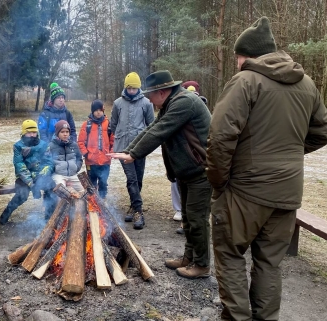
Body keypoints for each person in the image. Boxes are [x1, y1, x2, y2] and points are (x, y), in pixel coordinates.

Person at [207, 16, 327, 321]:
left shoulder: (246, 81)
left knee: (230, 254)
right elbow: (322, 131)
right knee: (269, 263)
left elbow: (220, 136)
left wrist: (220, 182)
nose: (236, 63)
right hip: (287, 193)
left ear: (247, 55)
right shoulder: (307, 84)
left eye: (237, 57)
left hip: (245, 191)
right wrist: (288, 155)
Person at [108, 70, 212, 279]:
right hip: (187, 172)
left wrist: (135, 154)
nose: (149, 99)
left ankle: (201, 265)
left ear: (162, 92)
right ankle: (188, 258)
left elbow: (160, 131)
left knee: (197, 220)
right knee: (189, 219)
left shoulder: (184, 102)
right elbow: (153, 127)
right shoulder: (171, 103)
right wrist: (130, 151)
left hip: (201, 171)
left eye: (150, 95)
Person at [109, 72, 155, 229]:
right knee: (132, 178)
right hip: (123, 148)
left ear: (139, 88)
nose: (131, 91)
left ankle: (132, 206)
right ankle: (139, 212)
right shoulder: (117, 104)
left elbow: (152, 126)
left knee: (138, 178)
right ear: (125, 87)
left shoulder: (147, 104)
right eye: (129, 88)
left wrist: (148, 144)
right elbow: (112, 124)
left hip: (140, 147)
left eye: (134, 88)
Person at [0, 120, 57, 225]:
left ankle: (48, 219)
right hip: (24, 178)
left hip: (40, 176)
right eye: (29, 132)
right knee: (22, 194)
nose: (32, 135)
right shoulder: (18, 146)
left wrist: (40, 177)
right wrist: (32, 184)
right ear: (23, 133)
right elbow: (20, 166)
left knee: (51, 188)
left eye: (34, 132)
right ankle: (4, 216)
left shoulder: (44, 145)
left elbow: (49, 163)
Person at [77, 99, 113, 199]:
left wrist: (111, 152)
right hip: (91, 161)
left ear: (103, 111)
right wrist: (86, 154)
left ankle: (102, 202)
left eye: (100, 110)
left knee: (103, 182)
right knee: (92, 184)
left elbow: (113, 140)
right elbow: (80, 142)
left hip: (105, 160)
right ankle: (93, 202)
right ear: (92, 111)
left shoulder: (108, 124)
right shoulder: (87, 124)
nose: (98, 112)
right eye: (96, 110)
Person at [45, 120, 84, 194]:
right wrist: (55, 169)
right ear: (57, 133)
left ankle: (80, 205)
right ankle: (62, 205)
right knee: (62, 191)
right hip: (59, 175)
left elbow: (79, 158)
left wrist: (76, 167)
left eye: (67, 132)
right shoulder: (51, 146)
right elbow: (47, 161)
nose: (65, 134)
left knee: (83, 191)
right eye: (62, 132)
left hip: (73, 175)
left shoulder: (73, 145)